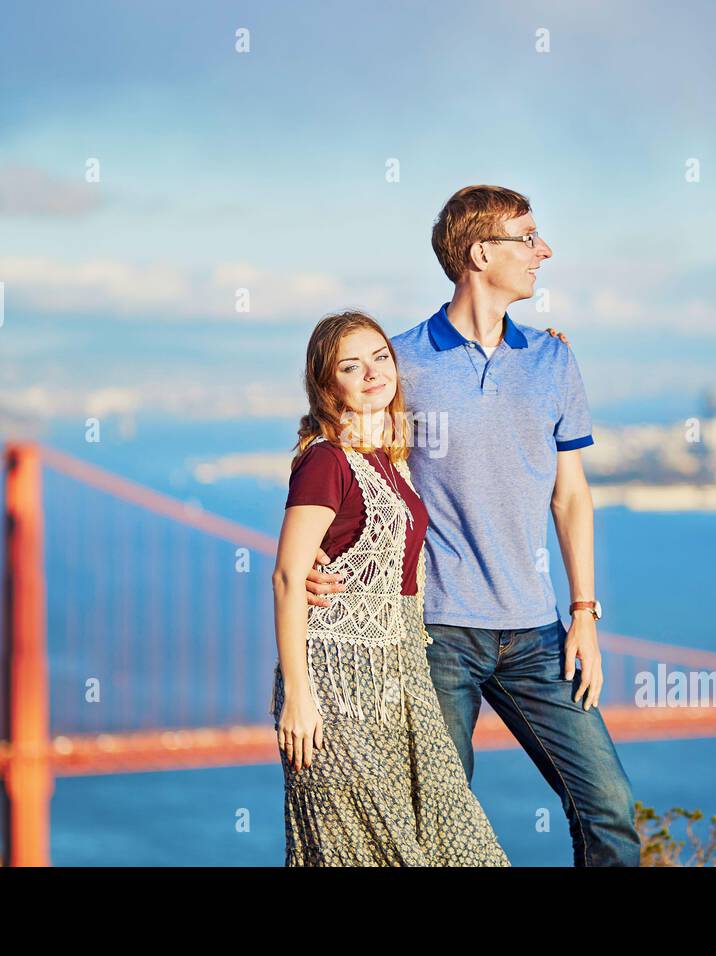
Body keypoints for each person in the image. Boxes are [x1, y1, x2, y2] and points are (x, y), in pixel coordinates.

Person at [306, 185, 642, 867]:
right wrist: (316, 556)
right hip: (435, 633)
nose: (544, 252)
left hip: (537, 631)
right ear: (480, 252)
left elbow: (571, 496)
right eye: (529, 238)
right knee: (435, 828)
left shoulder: (553, 360)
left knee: (610, 809)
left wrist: (584, 614)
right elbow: (346, 463)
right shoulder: (401, 364)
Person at [269, 309, 509, 866]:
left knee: (464, 846)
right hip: (336, 690)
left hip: (403, 684)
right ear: (327, 385)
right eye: (351, 367)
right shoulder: (326, 462)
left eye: (380, 358)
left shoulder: (386, 457)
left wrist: (537, 342)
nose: (373, 373)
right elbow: (287, 575)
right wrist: (299, 699)